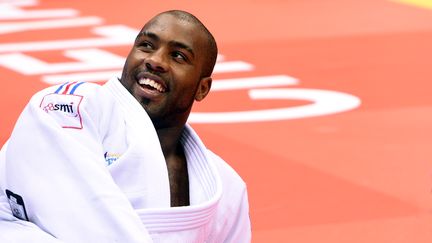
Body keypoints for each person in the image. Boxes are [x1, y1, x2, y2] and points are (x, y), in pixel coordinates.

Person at [0, 10, 251, 242]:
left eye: (178, 56)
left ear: (202, 88)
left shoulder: (227, 187)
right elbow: (81, 210)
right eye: (146, 45)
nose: (155, 60)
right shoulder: (73, 107)